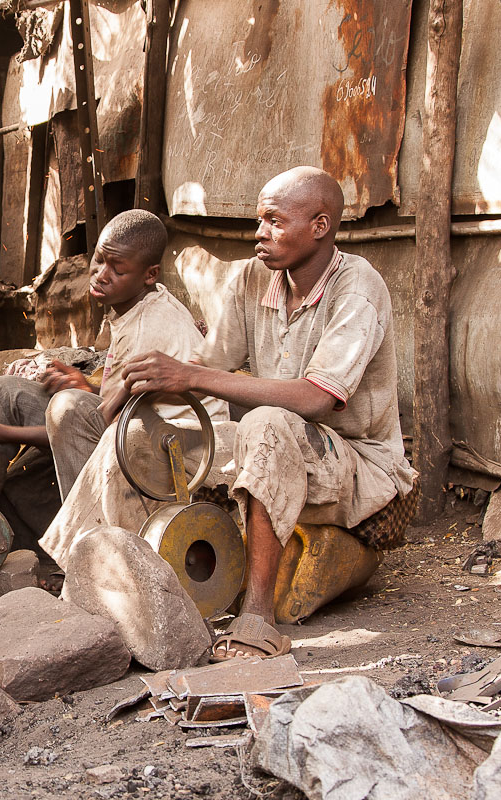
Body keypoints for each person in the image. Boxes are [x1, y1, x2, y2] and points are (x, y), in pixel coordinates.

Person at [57, 167, 414, 661]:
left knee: (266, 423)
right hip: (268, 445)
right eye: (258, 220)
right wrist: (137, 386)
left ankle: (257, 616)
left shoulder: (358, 289)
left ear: (320, 225)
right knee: (137, 433)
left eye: (274, 221)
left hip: (356, 463)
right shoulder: (252, 279)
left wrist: (189, 376)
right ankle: (100, 586)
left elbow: (316, 399)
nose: (259, 233)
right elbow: (206, 366)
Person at [0, 210, 229, 530]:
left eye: (117, 269)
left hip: (172, 453)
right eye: (99, 260)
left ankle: (88, 550)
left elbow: (88, 426)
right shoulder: (138, 304)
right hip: (134, 423)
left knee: (65, 410)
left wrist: (0, 432)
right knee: (3, 391)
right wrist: (90, 387)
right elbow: (125, 402)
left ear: (150, 274)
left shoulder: (149, 328)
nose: (101, 275)